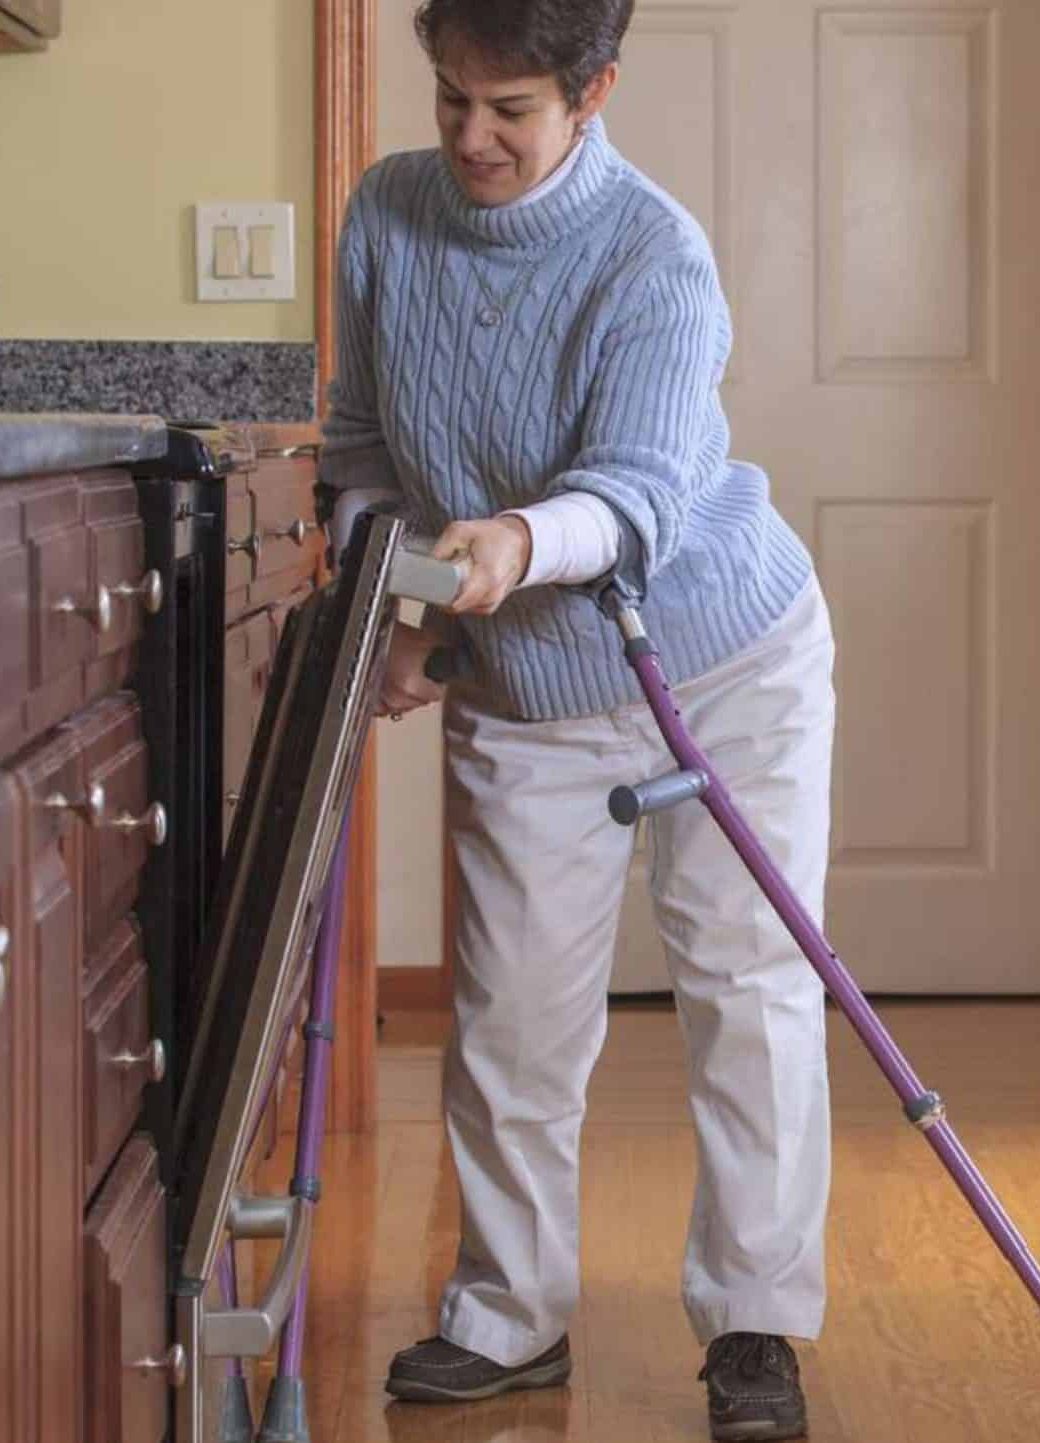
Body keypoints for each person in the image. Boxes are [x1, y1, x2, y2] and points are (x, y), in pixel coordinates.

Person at [322, 2, 830, 1436]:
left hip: (722, 660)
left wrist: (504, 549)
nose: (471, 136)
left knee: (748, 988)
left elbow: (641, 492)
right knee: (512, 1012)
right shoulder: (386, 214)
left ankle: (755, 1326)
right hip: (524, 682)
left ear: (595, 91)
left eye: (512, 109)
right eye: (450, 99)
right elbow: (361, 445)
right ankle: (506, 1312)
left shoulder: (656, 254)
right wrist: (407, 598)